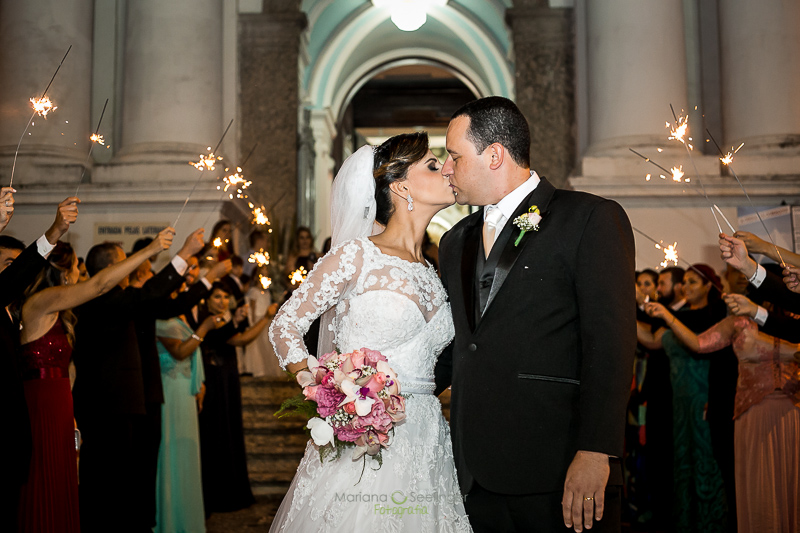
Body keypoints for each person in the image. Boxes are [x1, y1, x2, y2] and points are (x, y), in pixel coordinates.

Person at [433, 96, 635, 533]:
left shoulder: (588, 219)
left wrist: (596, 449)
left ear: (494, 155)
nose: (446, 169)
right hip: (474, 470)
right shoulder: (454, 240)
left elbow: (611, 343)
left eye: (453, 156)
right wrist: (382, 390)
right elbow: (461, 344)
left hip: (557, 463)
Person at [268, 133, 471, 531]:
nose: (447, 169)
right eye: (433, 164)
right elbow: (285, 324)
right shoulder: (357, 255)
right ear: (401, 186)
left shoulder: (434, 270)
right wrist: (328, 391)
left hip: (427, 435)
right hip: (364, 437)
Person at [16, 233, 172, 532]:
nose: (80, 273)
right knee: (48, 480)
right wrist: (150, 250)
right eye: (77, 267)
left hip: (61, 402)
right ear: (63, 272)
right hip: (43, 403)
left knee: (64, 480)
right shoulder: (43, 300)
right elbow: (100, 284)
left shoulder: (60, 308)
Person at [73, 229, 203, 533]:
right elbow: (149, 295)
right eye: (124, 263)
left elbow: (155, 300)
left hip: (121, 404)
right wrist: (183, 254)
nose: (128, 268)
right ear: (109, 270)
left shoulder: (113, 297)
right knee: (108, 485)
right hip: (106, 407)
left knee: (125, 483)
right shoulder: (100, 298)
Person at [644, 304, 800, 532]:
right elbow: (698, 344)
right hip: (753, 414)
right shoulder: (740, 322)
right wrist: (667, 316)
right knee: (760, 490)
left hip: (793, 415)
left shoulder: (797, 322)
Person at [0, 195, 77, 530]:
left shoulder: (13, 312)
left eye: (17, 266)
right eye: (7, 264)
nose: (15, 273)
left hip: (14, 437)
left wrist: (56, 229)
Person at [637, 265, 731, 532]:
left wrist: (667, 316)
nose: (684, 286)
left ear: (707, 287)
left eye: (692, 282)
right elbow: (653, 341)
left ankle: (709, 524)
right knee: (682, 462)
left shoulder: (714, 315)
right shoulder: (678, 316)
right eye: (685, 281)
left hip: (703, 399)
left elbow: (698, 341)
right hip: (679, 404)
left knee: (705, 460)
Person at [153, 278, 229, 533]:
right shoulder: (160, 320)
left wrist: (200, 382)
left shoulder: (179, 319)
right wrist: (205, 327)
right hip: (170, 392)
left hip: (185, 392)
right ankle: (170, 521)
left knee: (187, 454)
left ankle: (187, 520)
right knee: (172, 453)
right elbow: (180, 352)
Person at [198, 280, 270, 515]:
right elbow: (241, 339)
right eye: (217, 297)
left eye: (226, 297)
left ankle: (230, 491)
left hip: (227, 379)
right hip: (214, 382)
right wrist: (266, 318)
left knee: (229, 430)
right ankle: (218, 496)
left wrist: (237, 319)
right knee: (217, 432)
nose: (222, 301)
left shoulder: (222, 320)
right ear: (208, 299)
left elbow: (235, 334)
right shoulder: (208, 321)